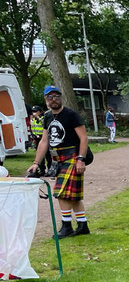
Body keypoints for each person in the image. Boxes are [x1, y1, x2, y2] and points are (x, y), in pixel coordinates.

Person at [27, 86, 90, 237]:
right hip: (57, 159)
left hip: (72, 157)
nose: (53, 99)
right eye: (50, 97)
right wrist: (36, 162)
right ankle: (83, 226)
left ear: (61, 97)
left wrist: (81, 159)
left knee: (61, 193)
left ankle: (66, 226)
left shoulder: (70, 115)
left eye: (56, 96)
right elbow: (44, 141)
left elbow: (83, 138)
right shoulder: (48, 117)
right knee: (72, 195)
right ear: (45, 100)